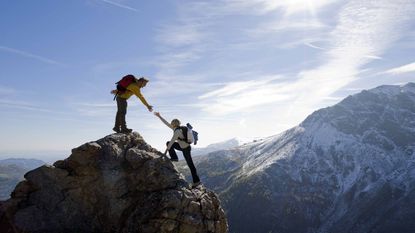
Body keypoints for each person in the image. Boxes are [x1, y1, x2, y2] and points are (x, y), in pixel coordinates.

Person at [154, 112, 201, 188]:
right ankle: (175, 157)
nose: (170, 124)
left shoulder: (177, 131)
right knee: (168, 143)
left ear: (173, 124)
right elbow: (166, 123)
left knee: (190, 164)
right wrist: (159, 116)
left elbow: (172, 142)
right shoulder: (178, 128)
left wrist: (164, 153)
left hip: (185, 149)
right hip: (183, 147)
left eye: (171, 123)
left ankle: (197, 181)